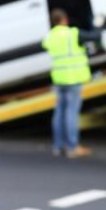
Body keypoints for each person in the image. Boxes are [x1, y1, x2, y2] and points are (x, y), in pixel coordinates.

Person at [41, 8, 99, 158]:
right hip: (73, 78)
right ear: (64, 19)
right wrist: (98, 24)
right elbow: (94, 36)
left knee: (59, 112)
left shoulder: (49, 37)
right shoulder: (72, 33)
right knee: (71, 113)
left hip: (59, 79)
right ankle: (72, 147)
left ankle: (58, 146)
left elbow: (45, 46)